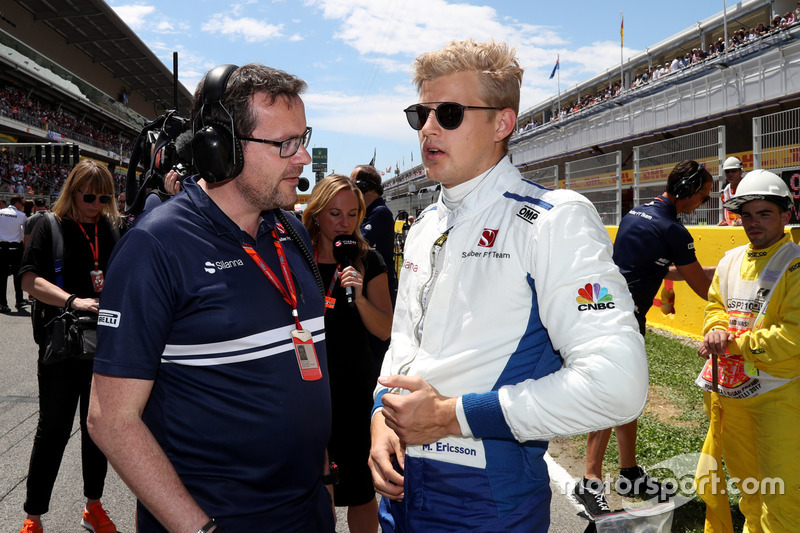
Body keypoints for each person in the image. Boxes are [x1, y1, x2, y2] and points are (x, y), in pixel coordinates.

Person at [369, 39, 648, 533]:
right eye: (421, 114)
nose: (428, 128)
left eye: (449, 113)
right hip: (401, 492)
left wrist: (453, 416)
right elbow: (404, 344)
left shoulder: (554, 221)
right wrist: (378, 415)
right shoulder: (426, 224)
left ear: (502, 123)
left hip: (485, 502)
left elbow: (618, 386)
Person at [87, 63, 335, 532]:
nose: (303, 158)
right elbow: (110, 420)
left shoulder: (292, 231)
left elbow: (306, 370)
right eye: (286, 144)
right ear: (221, 148)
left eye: (304, 138)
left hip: (308, 514)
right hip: (215, 520)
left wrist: (323, 480)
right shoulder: (155, 247)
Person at [575, 160, 716, 516]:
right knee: (611, 395)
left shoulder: (637, 213)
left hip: (606, 312)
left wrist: (718, 269)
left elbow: (658, 267)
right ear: (685, 190)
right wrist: (739, 278)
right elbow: (703, 288)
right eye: (702, 196)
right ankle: (590, 480)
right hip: (622, 321)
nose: (703, 203)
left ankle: (629, 473)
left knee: (630, 394)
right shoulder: (674, 230)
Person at [18, 160, 124, 533]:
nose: (96, 203)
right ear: (73, 190)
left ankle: (93, 506)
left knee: (97, 430)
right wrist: (71, 301)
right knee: (53, 431)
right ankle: (33, 516)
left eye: (104, 196)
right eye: (89, 195)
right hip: (62, 347)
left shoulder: (113, 229)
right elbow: (30, 281)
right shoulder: (49, 225)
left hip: (106, 344)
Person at [696, 169, 800, 533]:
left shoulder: (795, 263)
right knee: (750, 487)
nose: (753, 223)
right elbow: (714, 307)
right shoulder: (729, 260)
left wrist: (733, 344)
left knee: (783, 493)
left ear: (786, 216)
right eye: (747, 215)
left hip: (778, 394)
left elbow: (793, 334)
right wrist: (715, 329)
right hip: (731, 394)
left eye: (765, 213)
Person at [303, 174, 393, 533]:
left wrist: (358, 296)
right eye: (335, 213)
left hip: (354, 387)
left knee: (360, 490)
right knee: (310, 485)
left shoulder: (369, 260)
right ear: (317, 213)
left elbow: (385, 329)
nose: (344, 222)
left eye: (352, 214)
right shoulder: (296, 256)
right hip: (306, 386)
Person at [349, 164, 397, 377]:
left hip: (380, 287)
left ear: (364, 187)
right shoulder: (367, 213)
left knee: (378, 346)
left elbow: (360, 242)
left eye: (353, 184)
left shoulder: (380, 213)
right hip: (367, 285)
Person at [0, 194, 27, 312]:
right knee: (18, 276)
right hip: (16, 248)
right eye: (22, 204)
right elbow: (24, 233)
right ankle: (19, 300)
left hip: (1, 247)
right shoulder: (22, 215)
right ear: (17, 203)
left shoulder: (0, 212)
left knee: (1, 277)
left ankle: (2, 303)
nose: (22, 206)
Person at [718, 156, 744, 226]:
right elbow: (727, 211)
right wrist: (726, 222)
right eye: (727, 171)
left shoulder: (746, 187)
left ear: (741, 171)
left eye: (734, 170)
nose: (730, 174)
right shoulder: (725, 190)